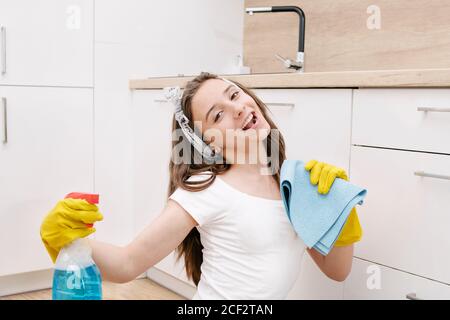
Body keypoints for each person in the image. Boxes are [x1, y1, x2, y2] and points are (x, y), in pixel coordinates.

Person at [40, 72, 361, 299]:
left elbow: (337, 271)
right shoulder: (207, 189)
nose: (238, 108)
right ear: (207, 141)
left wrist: (338, 206)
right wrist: (67, 240)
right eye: (218, 115)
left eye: (235, 95)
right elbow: (127, 264)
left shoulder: (293, 184)